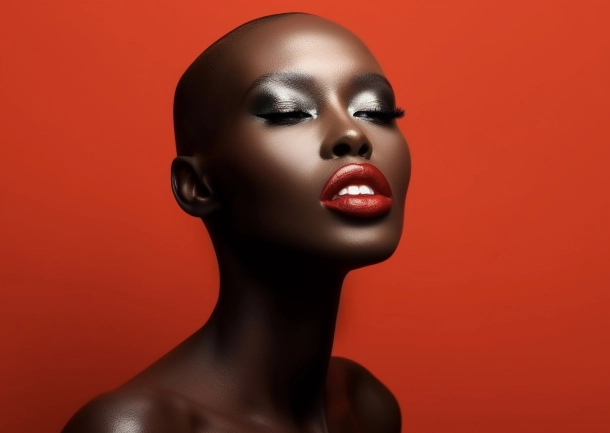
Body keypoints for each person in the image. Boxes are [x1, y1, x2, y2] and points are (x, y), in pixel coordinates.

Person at [61, 12, 411, 433]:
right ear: (197, 186)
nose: (353, 134)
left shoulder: (366, 408)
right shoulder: (141, 427)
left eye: (375, 111)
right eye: (288, 112)